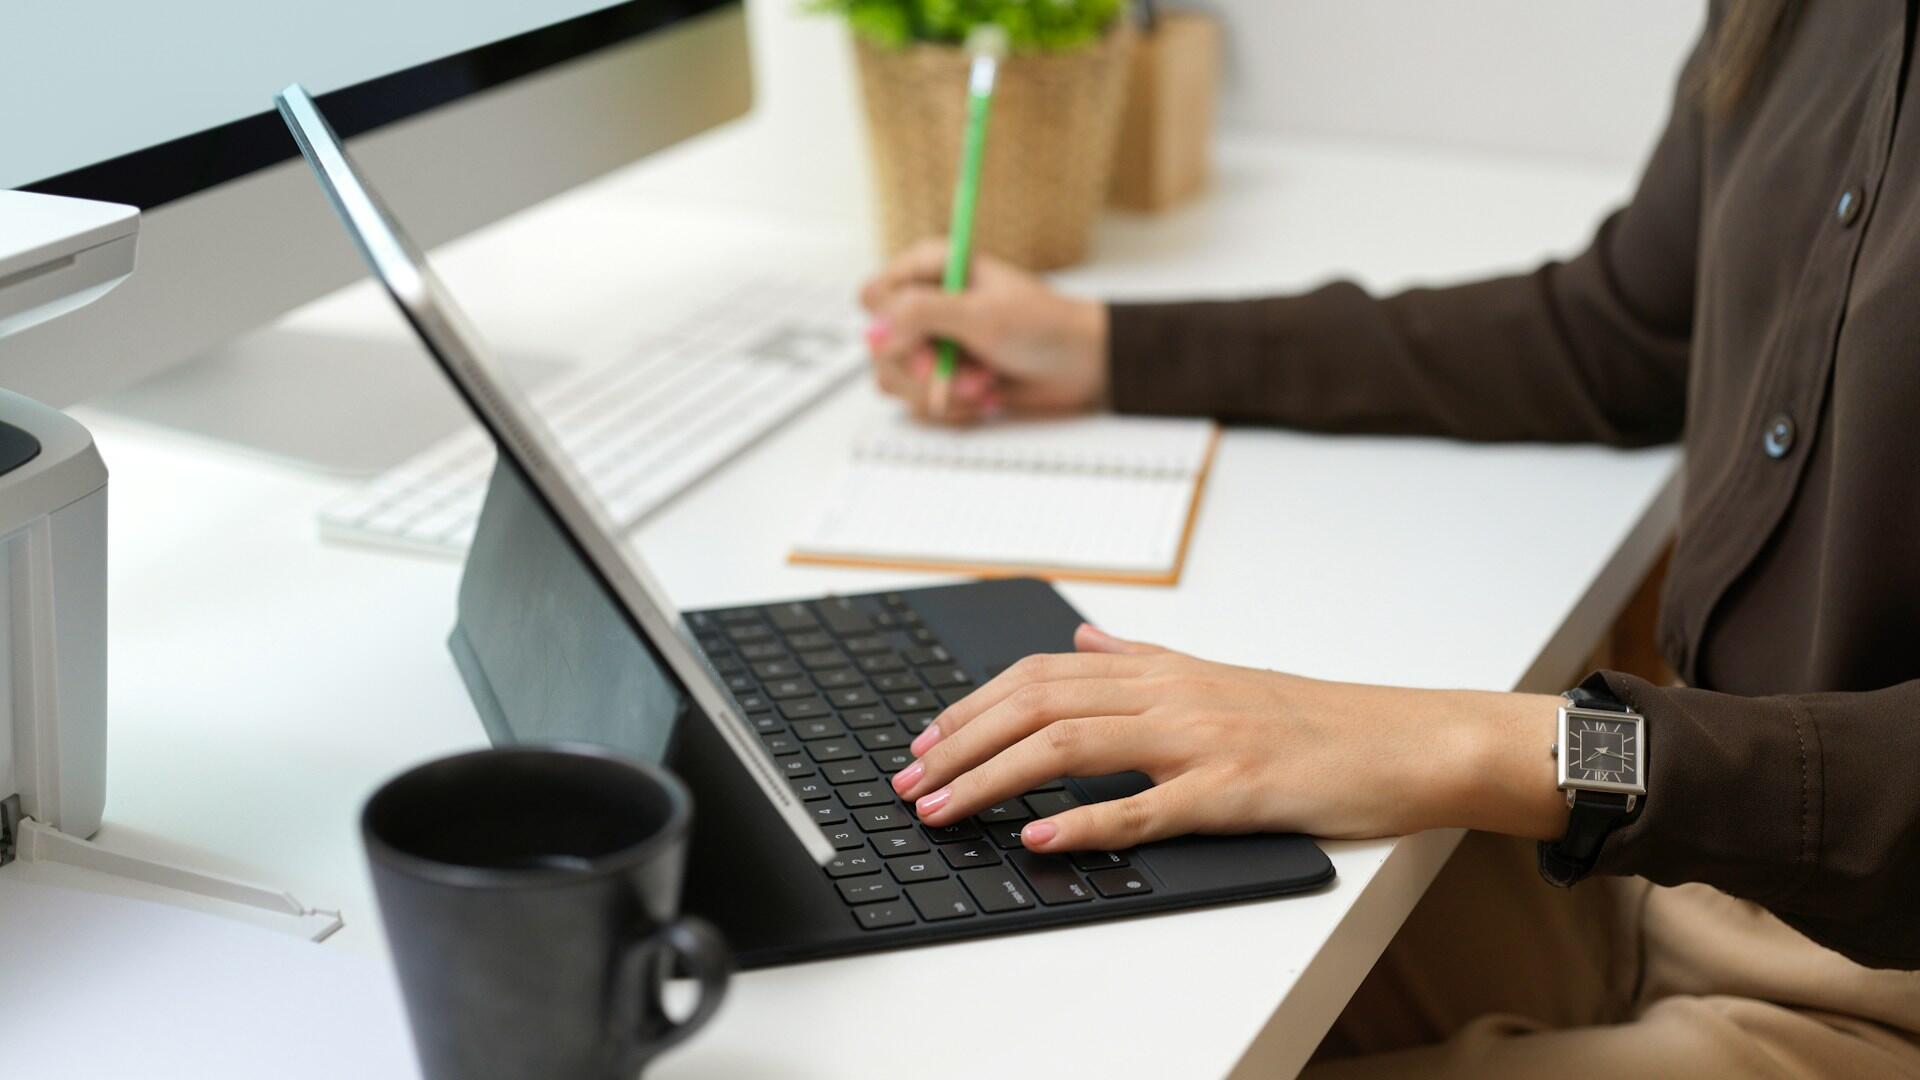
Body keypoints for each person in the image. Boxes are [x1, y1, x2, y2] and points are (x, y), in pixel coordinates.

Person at [860, 2, 1920, 1075]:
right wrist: (1106, 348)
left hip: (1864, 990)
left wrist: (1473, 743)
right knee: (1036, 1003)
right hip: (1678, 868)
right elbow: (1621, 334)